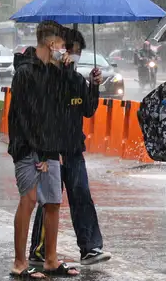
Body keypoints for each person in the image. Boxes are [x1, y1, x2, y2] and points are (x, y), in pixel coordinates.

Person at [29, 27, 110, 266]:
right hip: (51, 150)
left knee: (82, 195)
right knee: (50, 201)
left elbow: (88, 109)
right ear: (59, 48)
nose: (73, 57)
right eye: (71, 52)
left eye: (77, 54)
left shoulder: (75, 78)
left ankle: (90, 247)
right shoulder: (45, 75)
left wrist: (94, 86)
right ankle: (39, 250)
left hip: (74, 148)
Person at [7, 21, 80, 279]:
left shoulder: (54, 72)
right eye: (61, 44)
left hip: (50, 148)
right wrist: (37, 152)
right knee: (28, 201)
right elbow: (23, 117)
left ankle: (50, 259)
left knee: (53, 202)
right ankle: (19, 263)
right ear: (51, 44)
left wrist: (69, 69)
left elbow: (69, 101)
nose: (64, 49)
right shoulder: (25, 73)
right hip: (28, 147)